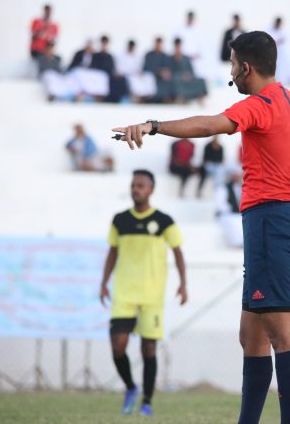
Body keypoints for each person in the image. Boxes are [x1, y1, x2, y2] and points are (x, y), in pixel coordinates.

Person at [112, 30, 290, 424]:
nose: (231, 72)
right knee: (252, 336)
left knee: (283, 334)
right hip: (288, 220)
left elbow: (211, 125)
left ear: (246, 68)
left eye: (232, 64)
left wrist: (153, 125)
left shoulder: (259, 104)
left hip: (270, 223)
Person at [99, 170, 187, 417]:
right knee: (118, 345)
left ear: (151, 190)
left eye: (141, 185)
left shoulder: (164, 221)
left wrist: (183, 284)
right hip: (124, 293)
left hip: (152, 295)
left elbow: (178, 252)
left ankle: (147, 401)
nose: (135, 189)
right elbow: (112, 252)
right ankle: (130, 387)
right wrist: (104, 282)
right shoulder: (120, 220)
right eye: (133, 185)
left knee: (148, 349)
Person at [170, 38, 208, 103]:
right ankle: (181, 97)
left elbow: (191, 71)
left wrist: (188, 74)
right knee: (177, 80)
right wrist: (181, 75)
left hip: (188, 77)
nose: (178, 49)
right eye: (177, 47)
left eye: (179, 47)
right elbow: (171, 72)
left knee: (201, 80)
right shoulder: (171, 58)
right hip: (177, 78)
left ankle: (200, 96)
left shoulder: (186, 58)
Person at [143, 37, 174, 103]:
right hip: (152, 76)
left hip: (162, 77)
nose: (158, 46)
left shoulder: (164, 56)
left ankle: (166, 98)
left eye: (159, 44)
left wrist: (165, 73)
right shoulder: (149, 55)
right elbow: (146, 68)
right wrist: (158, 72)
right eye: (157, 44)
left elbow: (167, 68)